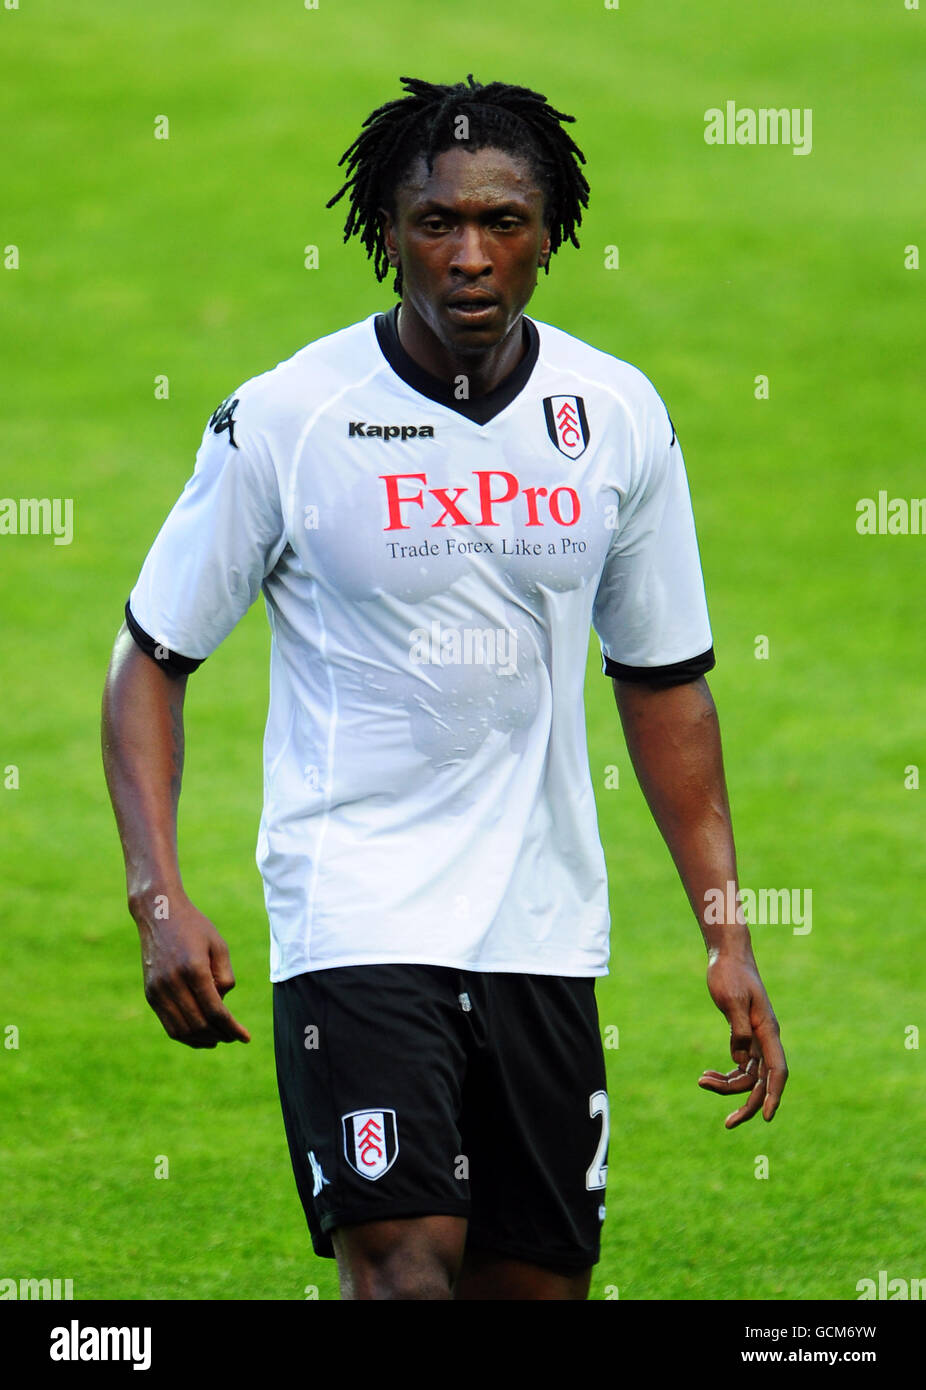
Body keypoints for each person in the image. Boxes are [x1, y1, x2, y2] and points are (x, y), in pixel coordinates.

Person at [101, 75, 787, 1302]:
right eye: (436, 224)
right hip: (353, 912)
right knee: (407, 1270)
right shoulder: (289, 420)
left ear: (550, 230)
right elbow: (149, 659)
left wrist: (725, 935)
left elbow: (665, 686)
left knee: (532, 1289)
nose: (469, 257)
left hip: (540, 926)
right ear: (384, 230)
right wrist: (158, 895)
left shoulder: (615, 416)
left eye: (502, 222)